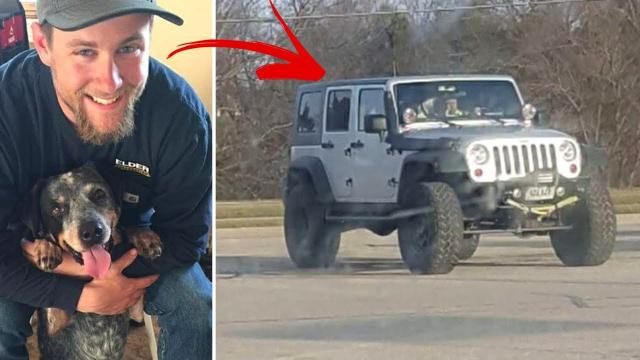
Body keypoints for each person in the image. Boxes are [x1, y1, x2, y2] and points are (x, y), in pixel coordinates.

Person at [0, 0, 212, 359]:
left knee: (195, 306)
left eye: (128, 48)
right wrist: (77, 293)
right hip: (29, 251)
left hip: (134, 245)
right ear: (42, 45)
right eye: (85, 51)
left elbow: (187, 236)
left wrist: (113, 276)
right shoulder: (7, 107)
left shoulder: (180, 117)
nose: (110, 81)